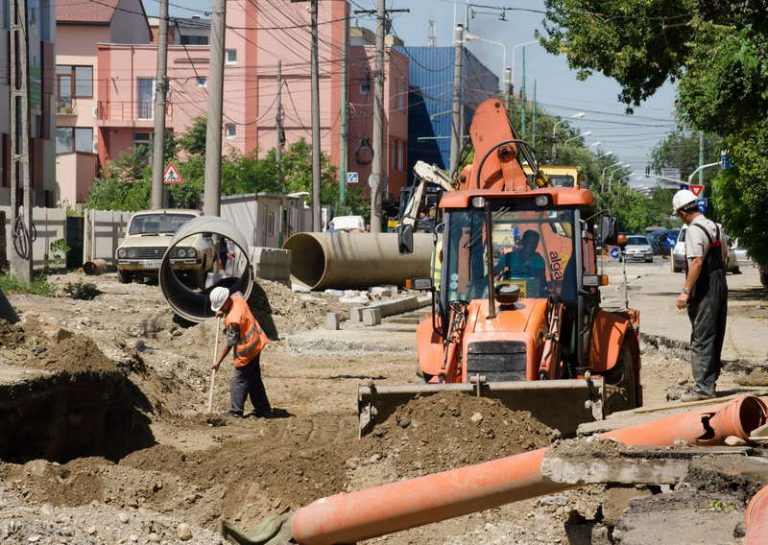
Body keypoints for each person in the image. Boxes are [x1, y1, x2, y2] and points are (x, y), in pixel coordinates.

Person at [673, 189, 728, 402]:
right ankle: (709, 383)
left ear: (683, 212)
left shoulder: (693, 230)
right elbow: (724, 256)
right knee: (715, 334)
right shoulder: (714, 226)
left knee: (701, 337)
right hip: (719, 283)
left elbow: (695, 262)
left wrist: (686, 291)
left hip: (704, 286)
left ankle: (703, 389)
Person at [210, 286, 272, 417]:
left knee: (238, 380)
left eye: (221, 306)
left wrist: (218, 362)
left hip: (248, 351)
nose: (220, 309)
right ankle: (263, 409)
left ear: (226, 300)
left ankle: (235, 411)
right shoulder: (238, 298)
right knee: (254, 379)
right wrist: (223, 311)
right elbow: (234, 299)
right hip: (258, 341)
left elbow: (230, 343)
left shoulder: (233, 320)